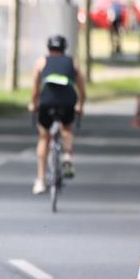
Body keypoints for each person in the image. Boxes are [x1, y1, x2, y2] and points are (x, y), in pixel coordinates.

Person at [28, 34, 86, 195]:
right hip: (68, 101)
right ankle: (67, 156)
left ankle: (40, 181)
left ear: (49, 48)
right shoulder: (73, 63)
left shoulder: (41, 62)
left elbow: (35, 88)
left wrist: (33, 104)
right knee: (66, 129)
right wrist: (81, 104)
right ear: (64, 48)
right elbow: (81, 89)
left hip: (47, 102)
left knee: (44, 138)